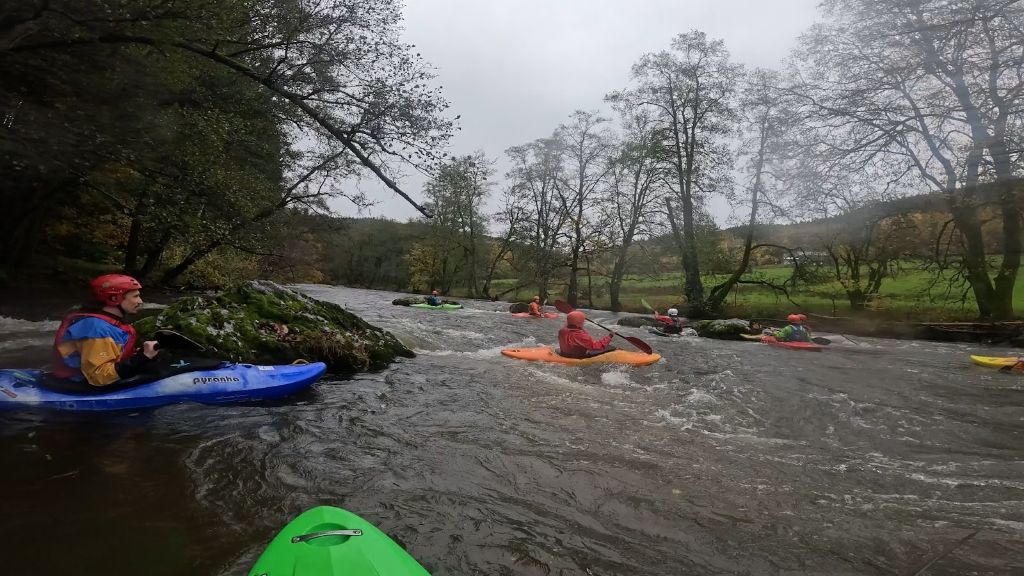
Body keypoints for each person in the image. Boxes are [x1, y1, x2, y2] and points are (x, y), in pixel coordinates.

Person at [50, 274, 160, 392]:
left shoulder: (108, 323)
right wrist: (143, 358)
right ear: (114, 298)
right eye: (135, 296)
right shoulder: (96, 329)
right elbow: (99, 377)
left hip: (93, 378)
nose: (140, 301)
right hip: (82, 384)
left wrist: (140, 355)